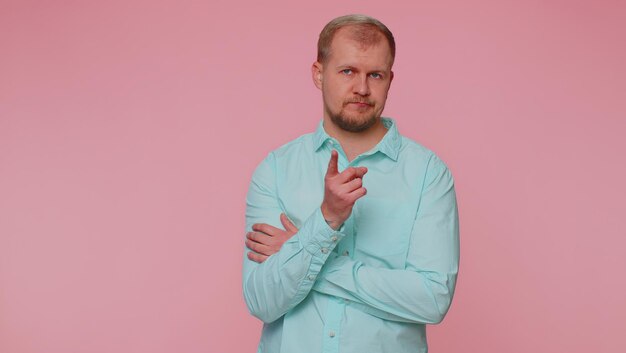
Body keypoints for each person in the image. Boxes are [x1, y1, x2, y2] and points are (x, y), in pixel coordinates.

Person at [242, 14, 459, 353]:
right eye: (348, 71)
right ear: (318, 74)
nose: (362, 88)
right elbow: (261, 301)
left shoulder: (429, 174)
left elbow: (432, 299)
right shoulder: (275, 170)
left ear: (390, 79)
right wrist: (327, 219)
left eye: (376, 74)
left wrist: (304, 250)